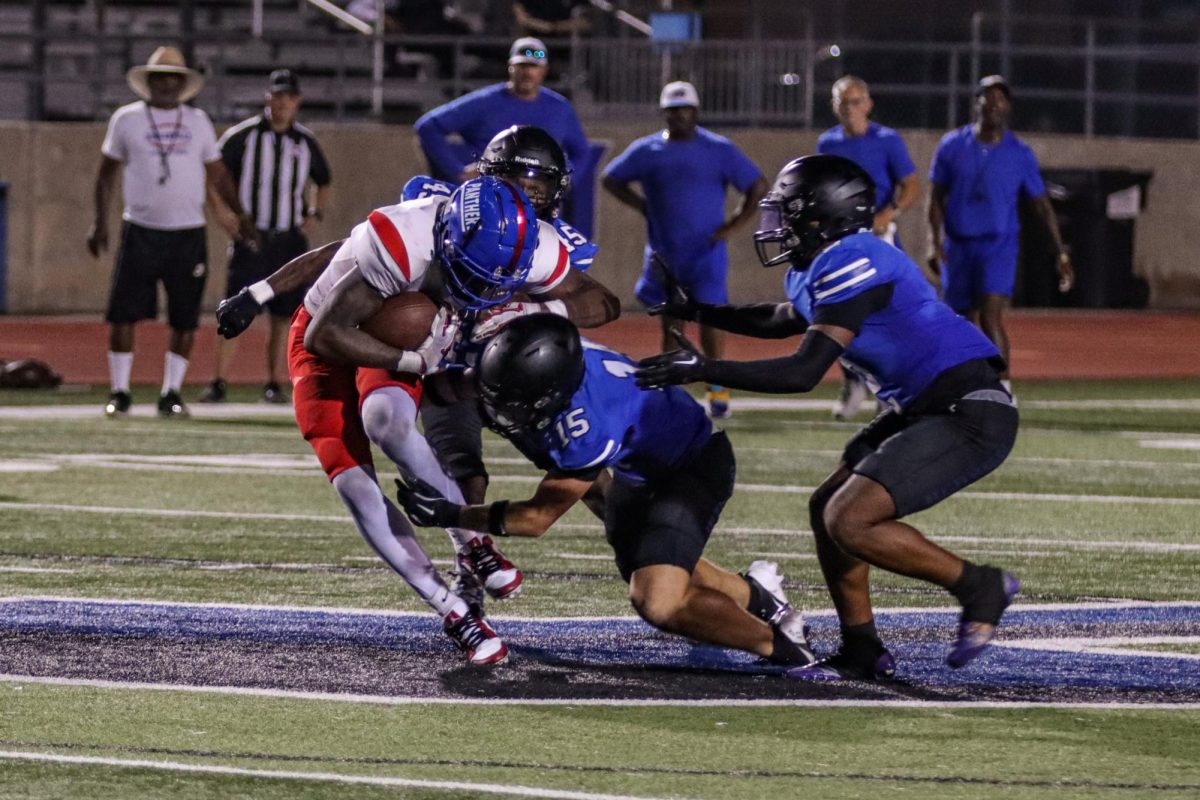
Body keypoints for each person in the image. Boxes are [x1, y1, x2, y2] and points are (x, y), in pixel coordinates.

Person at [635, 155, 1021, 680]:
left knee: (850, 519)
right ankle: (862, 645)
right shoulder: (824, 264)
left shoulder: (857, 255)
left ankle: (979, 585)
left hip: (968, 407)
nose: (779, 225)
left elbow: (803, 371)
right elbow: (783, 319)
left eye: (790, 213)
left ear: (827, 216)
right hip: (923, 404)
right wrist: (699, 310)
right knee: (826, 510)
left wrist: (705, 367)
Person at [217, 177, 619, 663]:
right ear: (447, 238)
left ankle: (472, 543)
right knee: (352, 480)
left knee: (388, 422)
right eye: (473, 275)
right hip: (333, 335)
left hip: (408, 335)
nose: (483, 290)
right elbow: (327, 334)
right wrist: (413, 362)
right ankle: (451, 609)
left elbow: (603, 302)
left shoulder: (534, 247)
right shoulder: (400, 240)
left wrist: (540, 306)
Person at [393, 314, 815, 668]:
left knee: (658, 600)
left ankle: (785, 651)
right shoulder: (547, 365)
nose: (504, 412)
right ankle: (761, 597)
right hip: (639, 465)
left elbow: (536, 518)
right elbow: (455, 388)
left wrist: (450, 515)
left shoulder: (586, 421)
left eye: (516, 402)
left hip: (692, 467)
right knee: (651, 555)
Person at [400, 127, 609, 617]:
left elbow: (601, 302)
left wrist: (539, 310)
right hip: (448, 367)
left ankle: (656, 553)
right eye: (522, 181)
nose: (531, 194)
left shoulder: (551, 242)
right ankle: (470, 574)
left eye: (541, 184)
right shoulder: (442, 209)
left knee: (591, 479)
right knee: (464, 474)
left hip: (514, 376)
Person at [87, 46, 254, 419]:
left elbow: (218, 176)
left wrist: (240, 214)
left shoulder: (197, 122)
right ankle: (120, 391)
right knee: (123, 314)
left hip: (186, 232)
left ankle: (171, 392)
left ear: (182, 84)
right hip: (141, 229)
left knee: (185, 315)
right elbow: (105, 175)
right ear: (148, 82)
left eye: (172, 78)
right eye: (158, 77)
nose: (165, 83)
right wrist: (99, 221)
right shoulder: (126, 119)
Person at [602, 80, 767, 419]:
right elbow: (611, 178)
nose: (679, 116)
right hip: (666, 252)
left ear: (696, 112)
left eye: (685, 109)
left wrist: (733, 225)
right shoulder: (648, 150)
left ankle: (717, 387)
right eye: (673, 110)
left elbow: (757, 185)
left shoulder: (718, 149)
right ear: (664, 113)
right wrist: (642, 205)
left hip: (706, 252)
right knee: (671, 323)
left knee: (711, 318)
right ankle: (671, 389)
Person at [928, 75, 1075, 397]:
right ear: (977, 102)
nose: (994, 105)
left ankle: (1003, 389)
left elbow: (1041, 205)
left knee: (991, 313)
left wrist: (1059, 252)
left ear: (1008, 107)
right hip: (959, 243)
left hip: (998, 244)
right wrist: (933, 241)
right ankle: (962, 385)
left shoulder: (1019, 153)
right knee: (959, 319)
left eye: (1001, 99)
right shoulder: (952, 145)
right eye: (988, 98)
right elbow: (937, 196)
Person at [201, 69, 332, 405]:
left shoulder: (305, 141)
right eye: (278, 96)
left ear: (297, 101)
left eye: (289, 97)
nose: (283, 103)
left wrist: (314, 214)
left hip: (288, 239)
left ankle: (273, 382)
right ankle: (218, 381)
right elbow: (214, 175)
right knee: (235, 307)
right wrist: (223, 216)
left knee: (283, 315)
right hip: (252, 236)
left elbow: (323, 179)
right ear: (267, 98)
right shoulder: (242, 136)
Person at [817, 75, 920, 420]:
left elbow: (911, 184)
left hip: (878, 239)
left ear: (869, 103)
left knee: (884, 315)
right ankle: (854, 382)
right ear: (834, 106)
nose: (851, 109)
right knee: (839, 313)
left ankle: (887, 389)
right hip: (843, 239)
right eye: (844, 102)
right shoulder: (828, 142)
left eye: (856, 101)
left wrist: (889, 213)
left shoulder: (887, 140)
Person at [413, 38, 588, 190]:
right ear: (510, 67)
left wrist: (567, 180)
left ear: (544, 70)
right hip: (490, 198)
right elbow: (428, 126)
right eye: (522, 66)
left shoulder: (559, 108)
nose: (527, 72)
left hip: (540, 201)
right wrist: (456, 172)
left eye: (533, 66)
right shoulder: (485, 102)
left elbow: (581, 151)